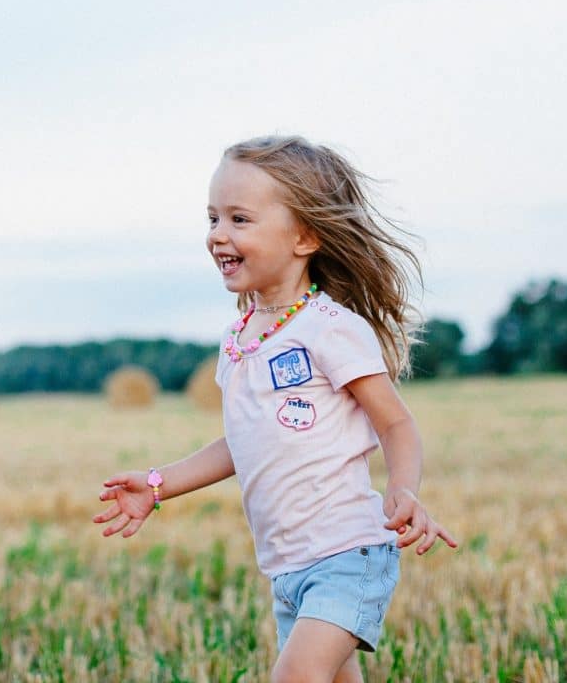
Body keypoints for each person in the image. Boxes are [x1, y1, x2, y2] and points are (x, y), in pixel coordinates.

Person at [93, 135, 457, 683]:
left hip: (347, 555)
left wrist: (403, 489)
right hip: (287, 568)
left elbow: (395, 421)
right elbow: (241, 441)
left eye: (240, 219)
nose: (218, 234)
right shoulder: (239, 338)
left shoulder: (332, 329)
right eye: (213, 217)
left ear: (304, 236)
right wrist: (159, 483)